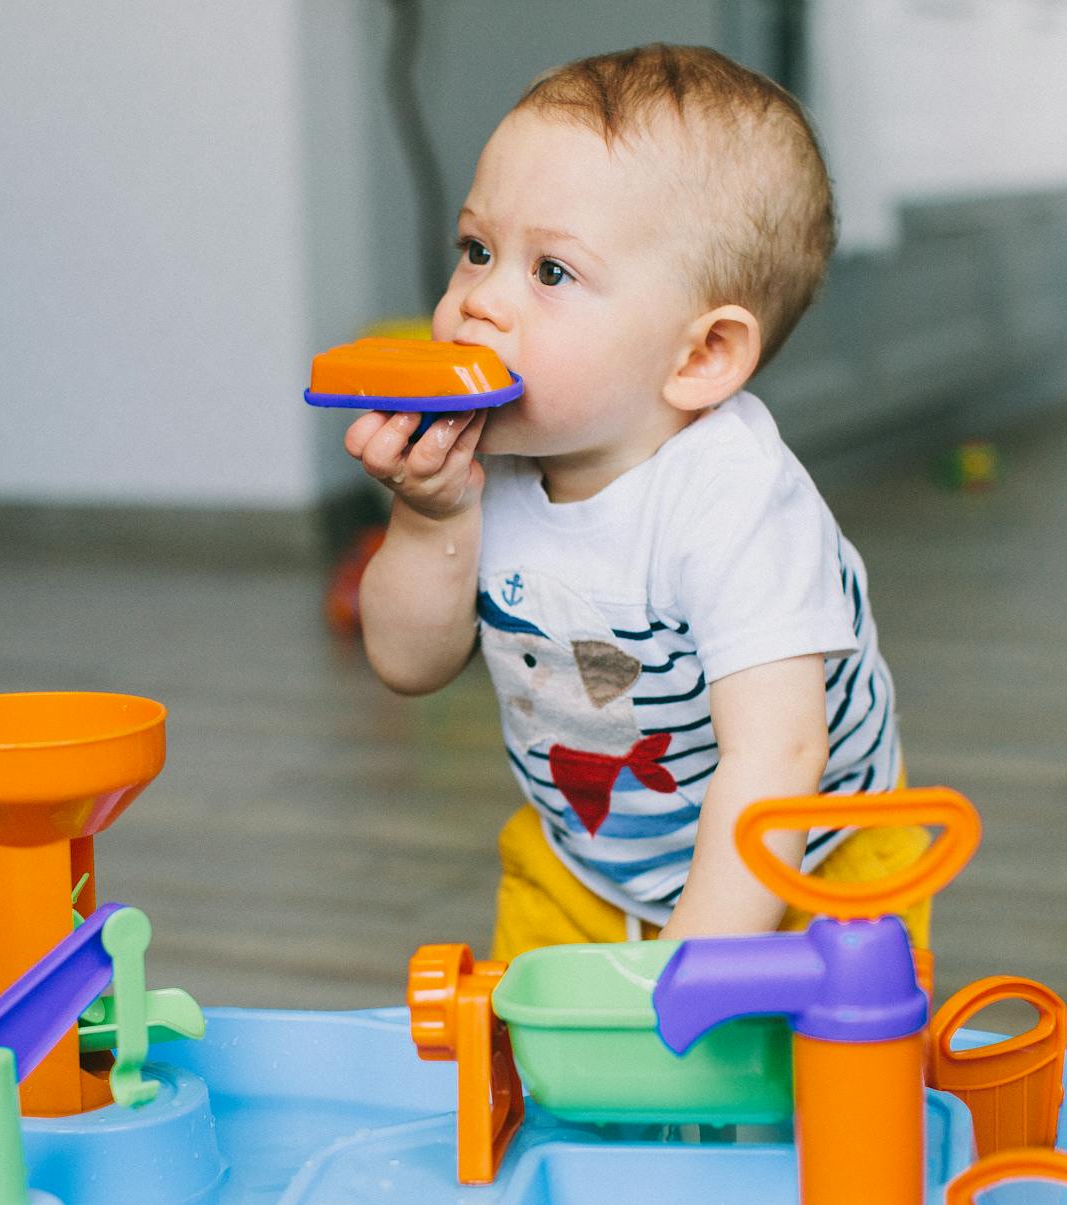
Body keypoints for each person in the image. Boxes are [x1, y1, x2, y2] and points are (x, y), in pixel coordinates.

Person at [345, 45, 926, 959]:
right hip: (585, 860)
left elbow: (777, 757)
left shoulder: (736, 500)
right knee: (554, 1077)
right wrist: (431, 516)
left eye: (550, 273)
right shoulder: (486, 463)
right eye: (476, 250)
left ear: (698, 358)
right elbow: (406, 662)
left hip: (811, 861)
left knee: (829, 1077)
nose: (477, 304)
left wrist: (686, 971)